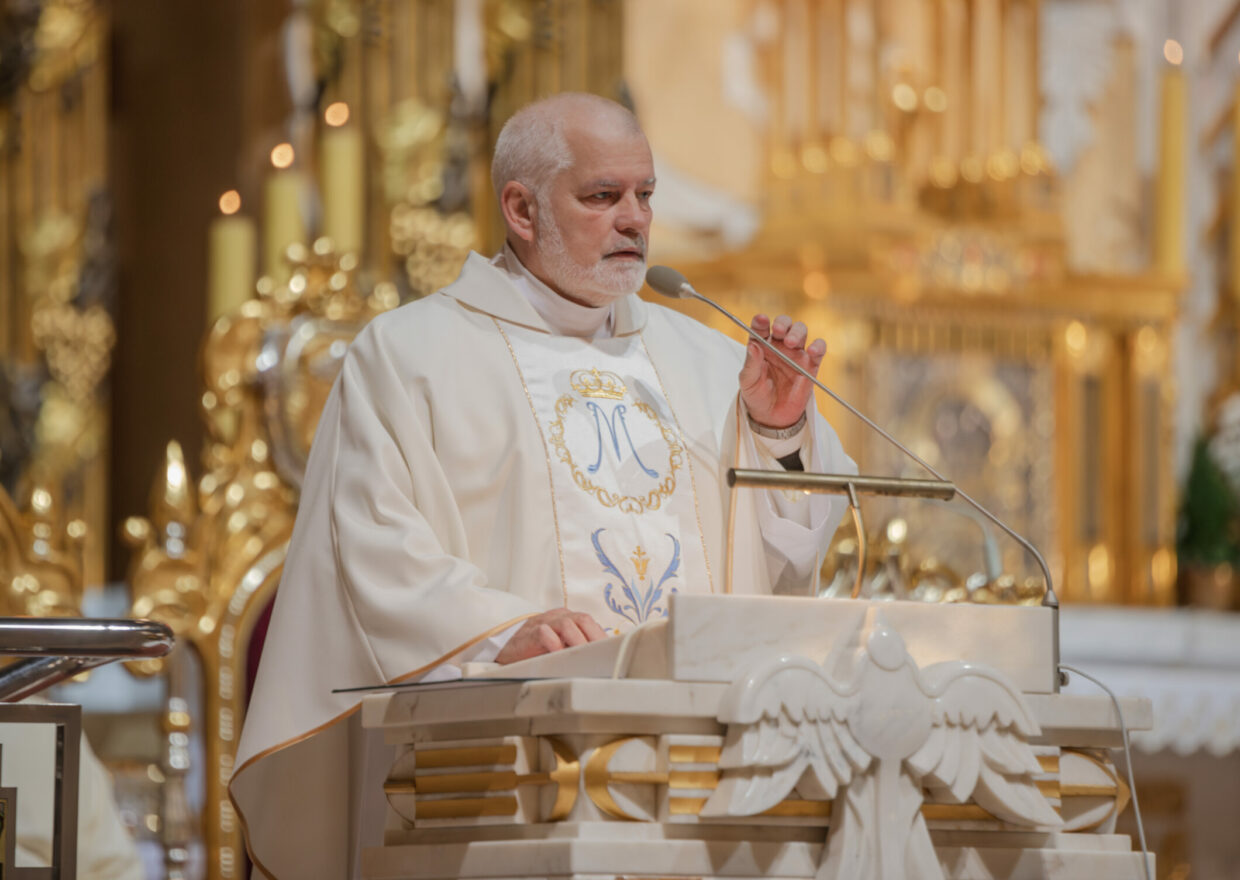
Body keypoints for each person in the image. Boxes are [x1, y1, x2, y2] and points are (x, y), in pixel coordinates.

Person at [230, 92, 854, 878]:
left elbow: (793, 558)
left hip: (709, 781)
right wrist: (503, 633)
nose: (635, 219)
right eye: (603, 196)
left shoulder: (710, 360)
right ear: (521, 210)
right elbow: (375, 545)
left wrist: (777, 433)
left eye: (645, 194)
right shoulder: (409, 356)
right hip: (503, 775)